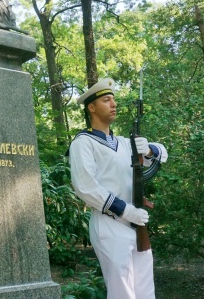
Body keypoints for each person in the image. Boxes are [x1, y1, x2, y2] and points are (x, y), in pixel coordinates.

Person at [68, 78, 168, 299]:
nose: (113, 104)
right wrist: (125, 210)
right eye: (106, 100)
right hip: (110, 224)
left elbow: (162, 153)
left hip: (137, 222)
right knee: (123, 293)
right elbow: (85, 187)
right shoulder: (83, 143)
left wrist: (150, 150)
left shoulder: (124, 143)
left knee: (145, 291)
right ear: (91, 107)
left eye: (113, 100)